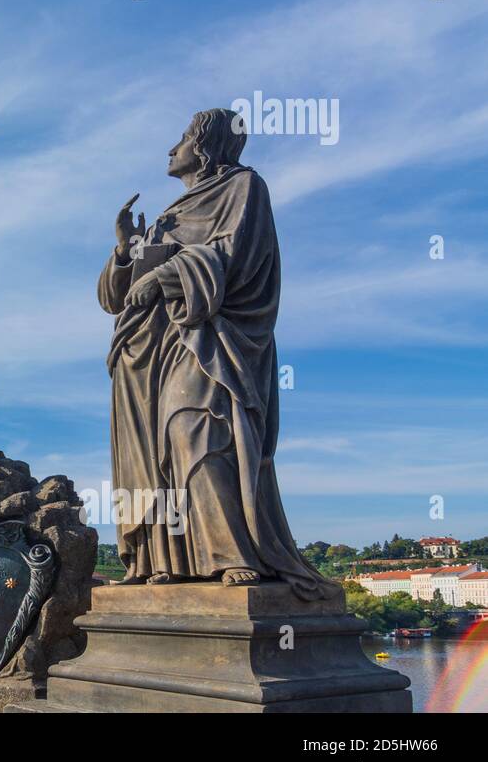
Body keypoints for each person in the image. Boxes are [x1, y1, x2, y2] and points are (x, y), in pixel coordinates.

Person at [97, 109, 330, 598]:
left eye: (180, 138)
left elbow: (236, 257)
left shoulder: (244, 189)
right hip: (145, 354)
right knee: (151, 457)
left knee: (194, 430)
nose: (170, 149)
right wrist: (125, 250)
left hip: (207, 339)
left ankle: (230, 553)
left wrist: (164, 276)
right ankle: (166, 558)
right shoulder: (167, 216)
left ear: (203, 146)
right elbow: (115, 298)